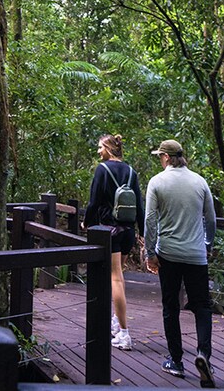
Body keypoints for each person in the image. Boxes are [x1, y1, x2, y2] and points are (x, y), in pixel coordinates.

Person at [144, 138, 217, 388]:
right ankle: (203, 354)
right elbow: (211, 219)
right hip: (196, 255)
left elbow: (150, 220)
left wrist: (149, 253)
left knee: (170, 306)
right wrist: (207, 245)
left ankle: (176, 360)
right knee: (202, 307)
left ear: (165, 157)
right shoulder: (200, 181)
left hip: (169, 255)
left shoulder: (157, 182)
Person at [82, 133, 144, 352]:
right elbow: (139, 204)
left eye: (100, 147)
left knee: (115, 277)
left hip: (109, 230)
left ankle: (125, 334)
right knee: (118, 276)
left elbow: (93, 201)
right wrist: (142, 232)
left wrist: (86, 223)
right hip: (127, 231)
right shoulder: (131, 171)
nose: (98, 151)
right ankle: (118, 322)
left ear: (108, 148)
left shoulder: (102, 170)